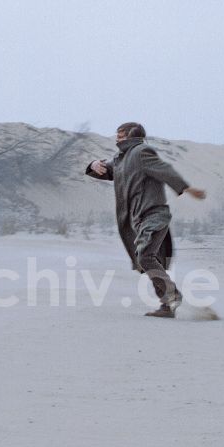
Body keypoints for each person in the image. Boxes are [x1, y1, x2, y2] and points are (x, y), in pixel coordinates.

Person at [85, 122, 206, 317]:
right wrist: (93, 165)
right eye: (117, 134)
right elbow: (104, 170)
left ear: (133, 135)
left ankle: (172, 295)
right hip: (137, 219)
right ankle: (167, 306)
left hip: (154, 214)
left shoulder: (141, 151)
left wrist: (187, 188)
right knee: (147, 259)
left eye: (121, 134)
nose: (117, 138)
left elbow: (164, 169)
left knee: (145, 256)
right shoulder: (120, 159)